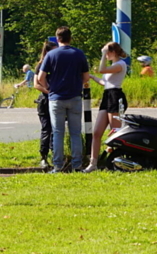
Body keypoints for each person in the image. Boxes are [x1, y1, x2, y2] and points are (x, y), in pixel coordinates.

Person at [35, 26, 90, 173]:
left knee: (57, 132)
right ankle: (77, 165)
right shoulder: (79, 54)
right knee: (75, 133)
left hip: (56, 98)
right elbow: (85, 77)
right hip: (75, 97)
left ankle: (58, 166)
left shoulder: (51, 55)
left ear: (57, 38)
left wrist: (49, 88)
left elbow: (40, 78)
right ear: (70, 38)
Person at [84, 42, 129, 172]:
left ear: (112, 52)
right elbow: (105, 82)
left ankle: (117, 162)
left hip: (115, 96)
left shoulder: (120, 64)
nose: (105, 55)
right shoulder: (114, 66)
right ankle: (93, 163)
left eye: (107, 52)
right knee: (97, 132)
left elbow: (102, 69)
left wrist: (103, 54)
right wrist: (92, 77)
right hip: (107, 95)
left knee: (115, 131)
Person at [33, 40, 58, 170]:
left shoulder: (57, 64)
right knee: (46, 129)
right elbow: (36, 84)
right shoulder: (41, 65)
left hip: (56, 99)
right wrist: (49, 91)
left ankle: (56, 156)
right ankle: (43, 157)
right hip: (45, 100)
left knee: (56, 129)